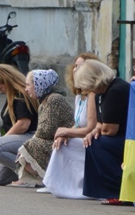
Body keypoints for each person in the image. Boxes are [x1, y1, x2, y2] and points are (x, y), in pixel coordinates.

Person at [42, 53, 99, 199]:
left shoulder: (92, 94)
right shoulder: (80, 96)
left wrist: (65, 131)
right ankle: (57, 183)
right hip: (83, 136)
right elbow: (77, 124)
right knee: (61, 142)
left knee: (67, 144)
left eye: (80, 67)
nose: (75, 70)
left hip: (92, 138)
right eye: (75, 66)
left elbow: (91, 127)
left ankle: (65, 185)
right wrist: (66, 134)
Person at [77, 59, 131, 202]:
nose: (86, 90)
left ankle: (118, 190)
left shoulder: (116, 91)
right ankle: (104, 190)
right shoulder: (101, 93)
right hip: (120, 137)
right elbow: (101, 124)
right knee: (92, 142)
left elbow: (111, 129)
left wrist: (97, 132)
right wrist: (93, 132)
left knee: (97, 144)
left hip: (128, 138)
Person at [14, 69, 73, 187]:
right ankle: (47, 180)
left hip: (67, 141)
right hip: (55, 140)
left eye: (28, 85)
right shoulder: (43, 103)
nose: (26, 89)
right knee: (28, 147)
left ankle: (52, 180)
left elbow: (47, 131)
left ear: (39, 84)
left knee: (31, 145)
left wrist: (34, 138)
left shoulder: (54, 99)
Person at [0, 64, 39, 185]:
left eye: (0, 88)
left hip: (30, 136)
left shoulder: (21, 95)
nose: (0, 91)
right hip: (21, 138)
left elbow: (23, 124)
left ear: (7, 82)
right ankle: (25, 170)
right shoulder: (12, 96)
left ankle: (32, 175)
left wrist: (4, 139)